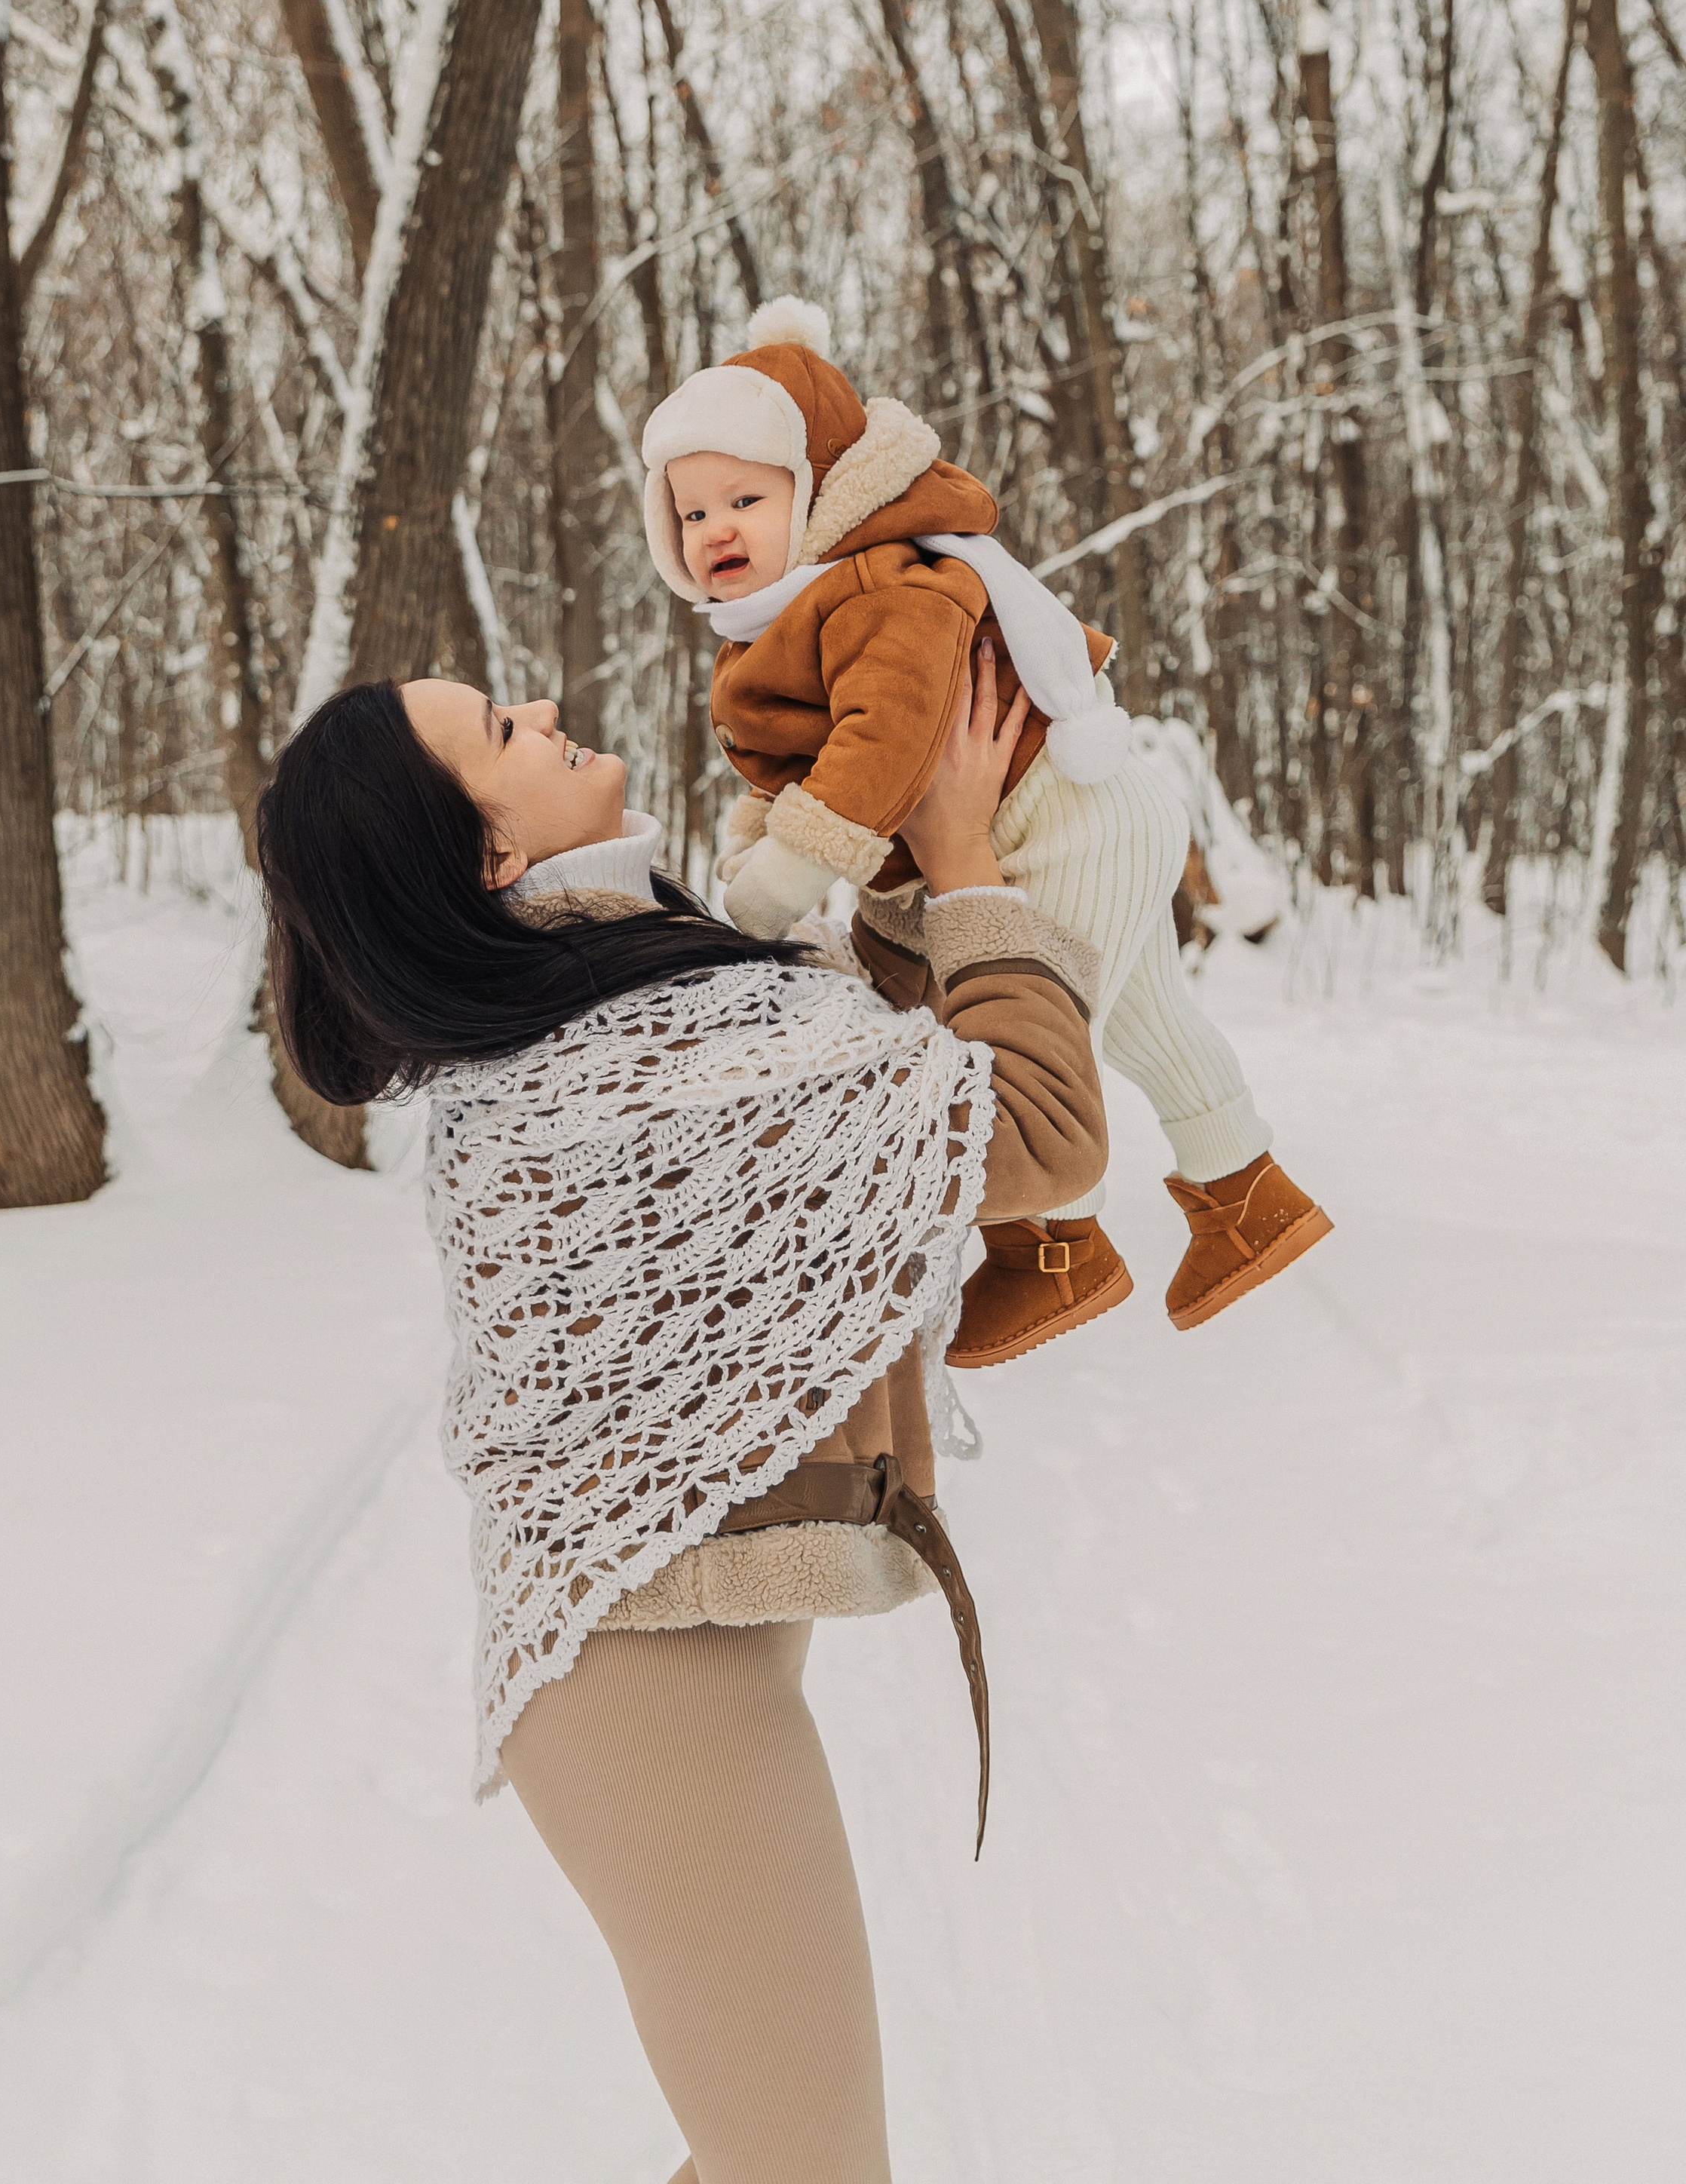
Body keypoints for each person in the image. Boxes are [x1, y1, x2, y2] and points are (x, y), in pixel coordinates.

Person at [256, 649, 1106, 2184]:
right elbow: (1035, 1130)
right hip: (640, 1691)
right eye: (499, 730)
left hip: (670, 1654)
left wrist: (908, 836)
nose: (540, 709)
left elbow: (887, 1058)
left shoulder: (651, 983)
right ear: (489, 853)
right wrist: (967, 863)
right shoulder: (621, 1055)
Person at [639, 295, 1332, 1370]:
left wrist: (776, 882)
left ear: (818, 492)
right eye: (690, 513)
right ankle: (1251, 1198)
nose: (715, 529)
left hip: (1061, 822)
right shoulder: (796, 608)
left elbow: (881, 746)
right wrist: (757, 830)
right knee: (1144, 1016)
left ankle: (1053, 1251)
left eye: (745, 498)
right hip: (1094, 813)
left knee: (1046, 1037)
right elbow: (800, 759)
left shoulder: (880, 587)